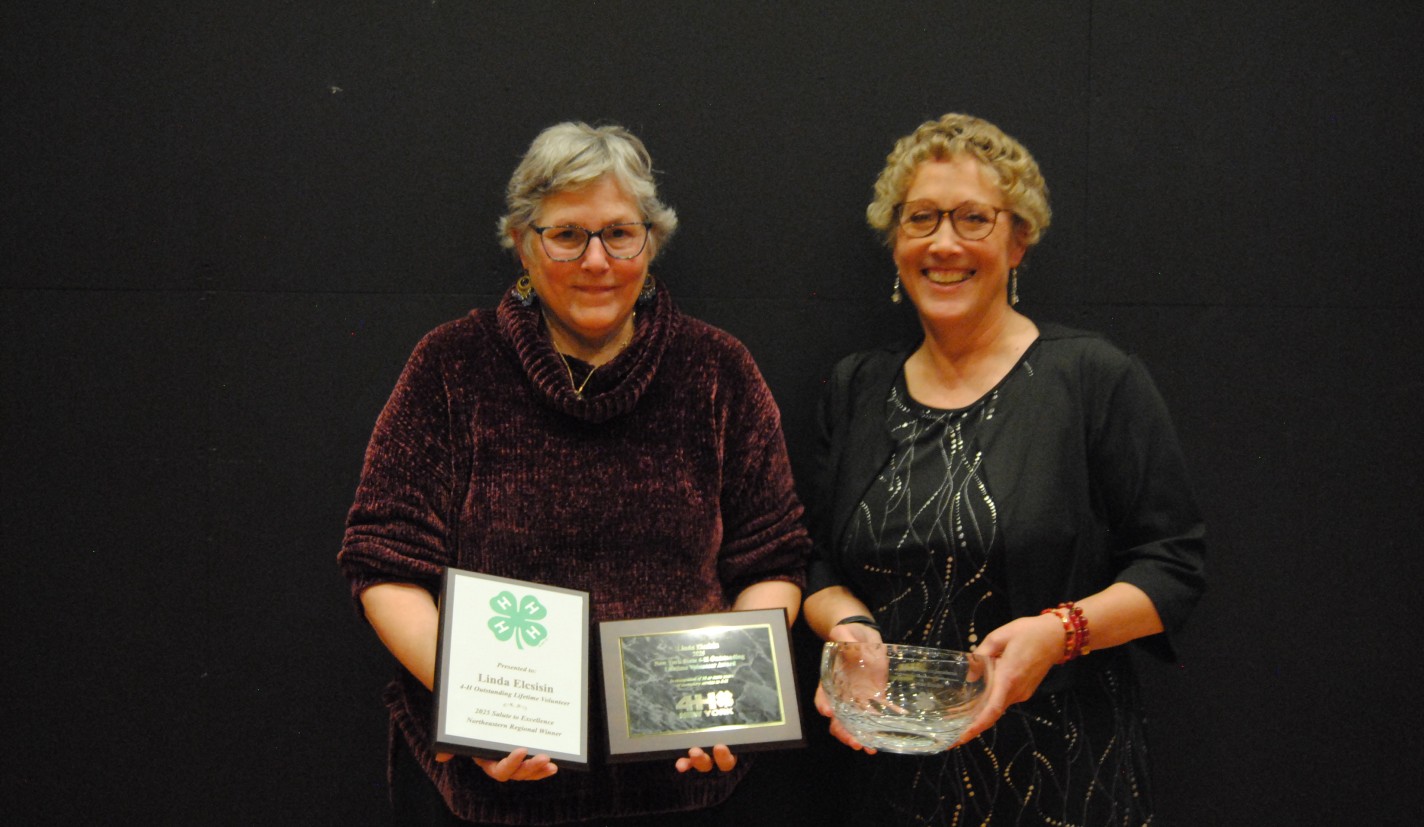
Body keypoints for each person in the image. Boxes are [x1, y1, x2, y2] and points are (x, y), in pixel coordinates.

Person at [339, 121, 809, 826]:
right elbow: (384, 562)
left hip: (680, 789)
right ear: (522, 243)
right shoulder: (451, 364)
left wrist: (736, 702)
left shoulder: (718, 370)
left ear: (651, 240)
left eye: (620, 233)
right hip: (491, 794)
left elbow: (773, 558)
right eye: (567, 234)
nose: (597, 260)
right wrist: (473, 709)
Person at [802, 113, 1207, 825]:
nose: (944, 242)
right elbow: (818, 562)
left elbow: (1173, 565)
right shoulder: (855, 387)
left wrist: (1059, 634)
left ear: (1019, 240)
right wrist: (850, 630)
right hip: (890, 772)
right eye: (921, 218)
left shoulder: (1092, 378)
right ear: (896, 241)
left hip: (1060, 772)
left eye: (973, 219)